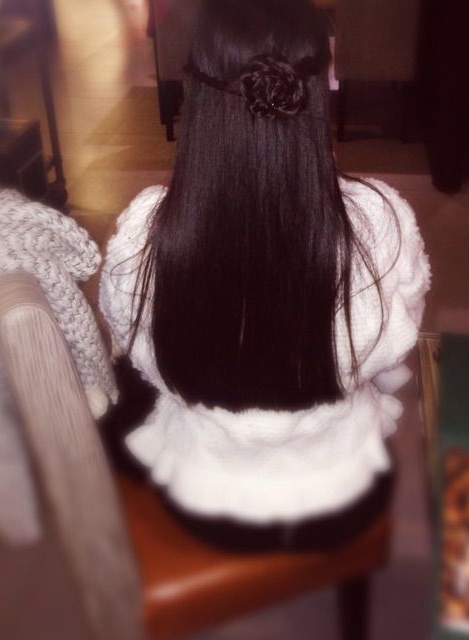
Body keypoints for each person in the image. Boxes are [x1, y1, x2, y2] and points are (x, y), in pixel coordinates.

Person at [99, 0, 430, 551]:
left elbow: (141, 355)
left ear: (197, 92)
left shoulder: (145, 232)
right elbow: (393, 348)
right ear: (321, 88)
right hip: (339, 489)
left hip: (201, 493)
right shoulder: (382, 221)